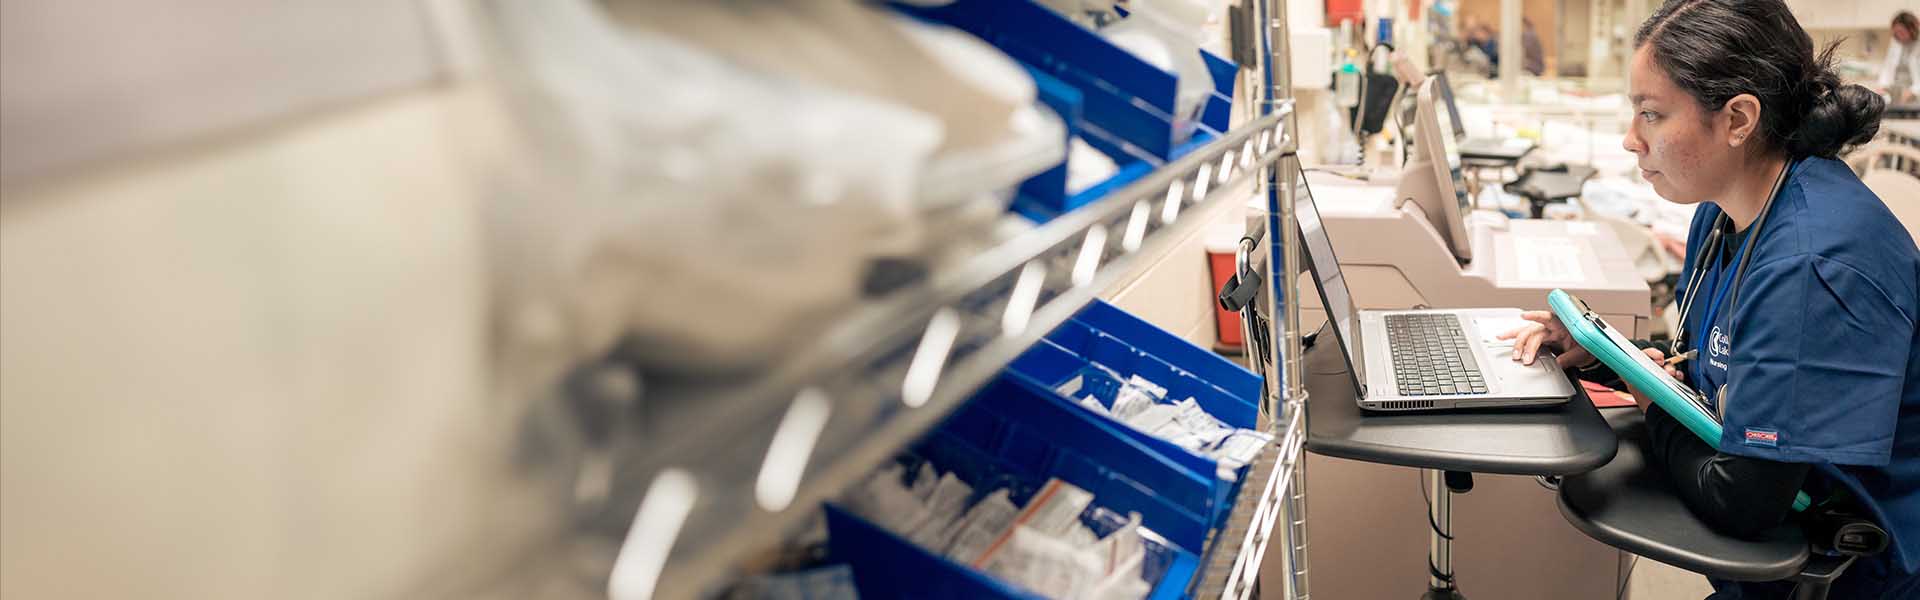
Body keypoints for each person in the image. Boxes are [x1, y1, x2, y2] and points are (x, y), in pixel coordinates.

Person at [1500, 0, 1919, 597]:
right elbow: (1707, 383)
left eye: (1651, 114)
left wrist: (1645, 398)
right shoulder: (1723, 218)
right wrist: (1604, 357)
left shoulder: (1813, 263)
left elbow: (1741, 499)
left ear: (1739, 119)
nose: (1630, 140)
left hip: (1855, 575)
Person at [1879, 11, 1920, 103]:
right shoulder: (1896, 42)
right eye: (1896, 32)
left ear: (1912, 30)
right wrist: (1882, 86)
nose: (1899, 35)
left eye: (1902, 32)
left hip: (1915, 94)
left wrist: (1914, 91)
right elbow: (1888, 65)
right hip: (1897, 91)